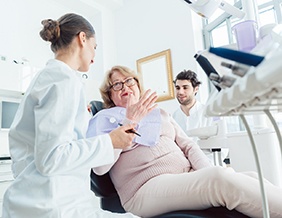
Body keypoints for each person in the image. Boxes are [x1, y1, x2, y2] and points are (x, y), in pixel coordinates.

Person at [87, 65, 282, 218]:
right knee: (219, 180)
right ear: (110, 95)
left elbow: (188, 145)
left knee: (251, 177)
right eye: (117, 84)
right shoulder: (104, 118)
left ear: (138, 85)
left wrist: (206, 171)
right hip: (144, 188)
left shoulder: (158, 113)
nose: (125, 87)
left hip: (184, 175)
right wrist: (131, 122)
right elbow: (100, 168)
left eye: (129, 81)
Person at [2, 13, 141, 218]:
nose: (95, 55)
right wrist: (110, 141)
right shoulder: (63, 81)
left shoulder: (50, 78)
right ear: (82, 38)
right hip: (51, 205)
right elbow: (51, 158)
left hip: (42, 199)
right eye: (95, 46)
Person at [172, 69, 228, 164]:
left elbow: (223, 148)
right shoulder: (174, 117)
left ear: (196, 88)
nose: (180, 92)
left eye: (185, 88)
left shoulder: (210, 112)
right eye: (178, 88)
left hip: (210, 165)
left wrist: (203, 164)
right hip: (184, 167)